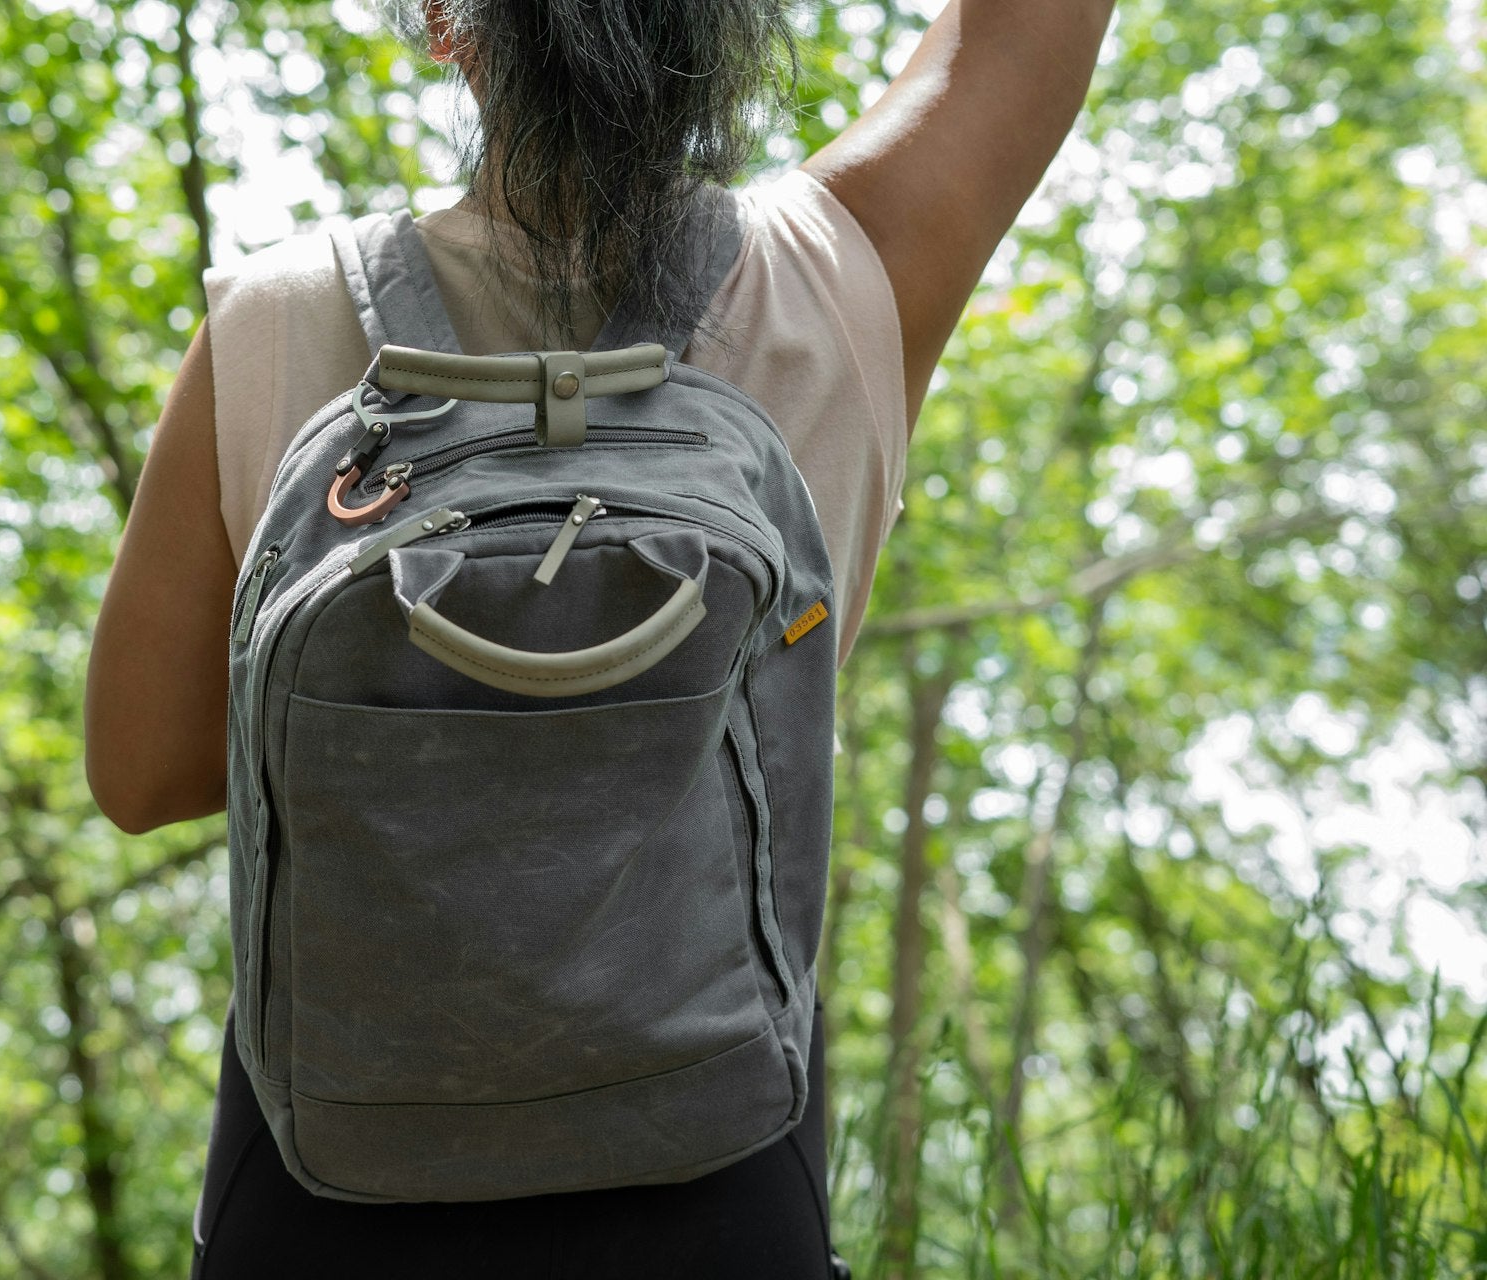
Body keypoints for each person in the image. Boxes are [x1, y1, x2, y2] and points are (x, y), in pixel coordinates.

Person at [84, 0, 1115, 1274]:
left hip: (331, 1171)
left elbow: (142, 772)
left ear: (441, 22)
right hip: (716, 1168)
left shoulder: (276, 314)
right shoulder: (838, 277)